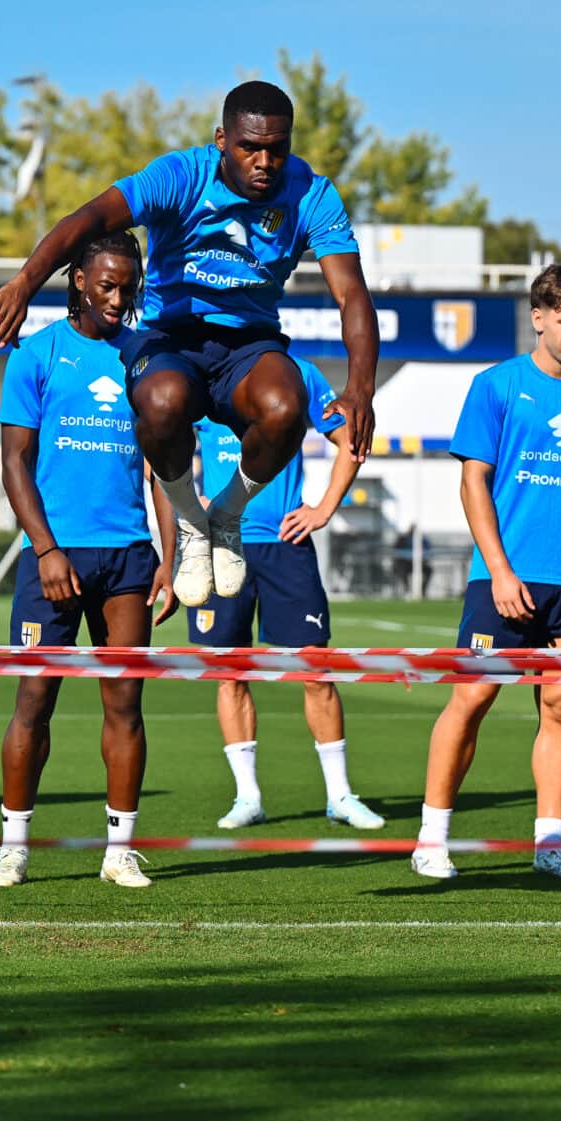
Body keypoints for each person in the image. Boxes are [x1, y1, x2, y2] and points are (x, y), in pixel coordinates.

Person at [0, 80, 378, 609]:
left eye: (276, 149)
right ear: (221, 139)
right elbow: (90, 219)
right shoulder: (181, 176)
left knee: (287, 407)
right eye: (249, 147)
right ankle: (191, 521)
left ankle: (227, 514)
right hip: (170, 337)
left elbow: (351, 292)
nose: (264, 162)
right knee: (162, 399)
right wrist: (25, 283)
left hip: (248, 344)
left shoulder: (311, 193)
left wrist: (361, 388)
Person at [414, 265, 561, 882]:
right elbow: (472, 482)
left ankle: (550, 845)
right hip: (504, 580)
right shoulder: (496, 386)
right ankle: (432, 837)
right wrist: (500, 571)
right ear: (538, 317)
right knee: (473, 696)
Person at [0, 234, 177, 890]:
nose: (119, 299)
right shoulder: (36, 354)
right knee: (34, 700)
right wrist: (45, 549)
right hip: (55, 557)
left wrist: (169, 557)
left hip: (128, 558)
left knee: (125, 703)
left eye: (129, 286)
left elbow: (163, 469)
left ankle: (119, 850)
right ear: (77, 280)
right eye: (106, 285)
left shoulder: (147, 355)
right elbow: (14, 463)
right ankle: (13, 846)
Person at [189, 350, 380, 831]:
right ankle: (247, 796)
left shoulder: (298, 373)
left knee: (315, 670)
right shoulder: (201, 368)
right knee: (228, 672)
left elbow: (351, 442)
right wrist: (191, 504)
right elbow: (160, 443)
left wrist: (324, 509)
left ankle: (340, 795)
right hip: (221, 543)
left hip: (284, 543)